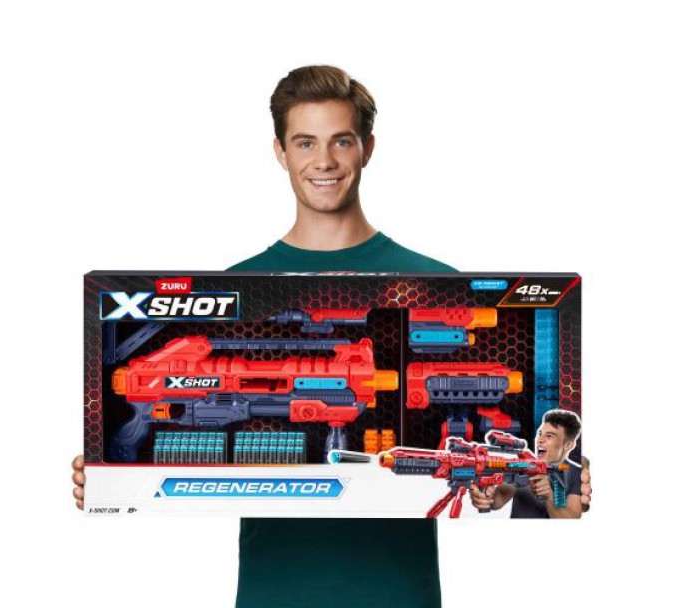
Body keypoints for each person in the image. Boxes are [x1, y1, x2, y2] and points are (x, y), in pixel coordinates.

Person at [72, 65, 592, 608]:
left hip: (399, 594)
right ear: (280, 152)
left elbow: (509, 477)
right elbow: (152, 463)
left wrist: (515, 488)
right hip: (274, 592)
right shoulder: (232, 289)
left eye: (341, 140)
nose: (323, 161)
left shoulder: (435, 285)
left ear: (367, 149)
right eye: (305, 142)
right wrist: (108, 472)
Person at [469, 409, 584, 519]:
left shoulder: (576, 473)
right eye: (540, 433)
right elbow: (499, 498)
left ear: (568, 445)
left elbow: (572, 519)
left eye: (549, 436)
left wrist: (549, 496)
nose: (540, 440)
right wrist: (485, 498)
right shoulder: (525, 464)